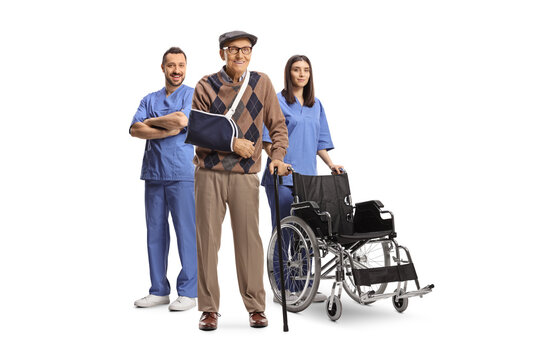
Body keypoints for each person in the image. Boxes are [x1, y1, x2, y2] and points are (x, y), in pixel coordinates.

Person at [191, 31, 291, 331]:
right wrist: (234, 144)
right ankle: (208, 309)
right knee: (207, 242)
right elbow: (198, 132)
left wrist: (276, 155)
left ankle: (256, 306)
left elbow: (278, 126)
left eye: (246, 50)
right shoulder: (205, 85)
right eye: (233, 49)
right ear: (222, 53)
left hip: (246, 175)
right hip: (209, 173)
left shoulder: (261, 83)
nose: (240, 55)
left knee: (249, 242)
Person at [261, 55, 344, 302]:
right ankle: (283, 288)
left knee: (306, 234)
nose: (301, 74)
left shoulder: (315, 104)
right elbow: (267, 141)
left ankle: (304, 286)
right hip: (282, 179)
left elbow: (320, 142)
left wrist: (331, 165)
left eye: (306, 70)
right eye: (296, 70)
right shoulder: (276, 101)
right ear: (289, 73)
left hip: (308, 180)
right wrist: (278, 161)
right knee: (285, 231)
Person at [130, 47, 197, 311]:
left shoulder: (192, 95)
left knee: (186, 232)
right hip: (154, 173)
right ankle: (158, 290)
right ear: (163, 68)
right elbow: (135, 129)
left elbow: (182, 119)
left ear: (186, 67)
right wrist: (166, 129)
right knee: (155, 232)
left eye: (181, 65)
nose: (176, 70)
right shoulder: (149, 98)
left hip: (182, 172)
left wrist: (152, 124)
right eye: (171, 65)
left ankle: (189, 291)